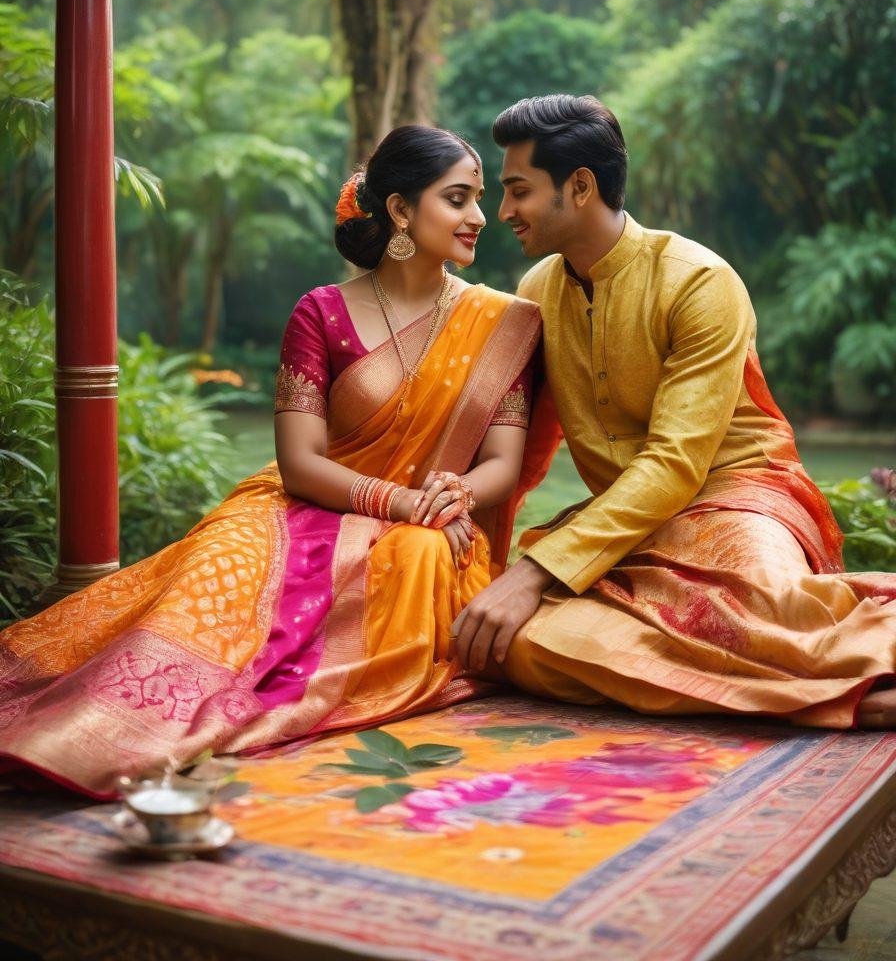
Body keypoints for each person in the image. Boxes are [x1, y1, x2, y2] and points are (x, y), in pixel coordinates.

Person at [0, 126, 550, 798]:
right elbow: (299, 463)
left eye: (479, 199)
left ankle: (185, 725)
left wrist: (447, 497)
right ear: (402, 210)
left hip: (428, 527)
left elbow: (503, 461)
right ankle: (99, 725)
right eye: (457, 198)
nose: (477, 218)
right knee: (219, 565)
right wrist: (398, 499)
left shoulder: (503, 323)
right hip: (306, 506)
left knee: (420, 557)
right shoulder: (321, 313)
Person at [450, 94, 896, 729]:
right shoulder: (537, 292)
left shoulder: (698, 281)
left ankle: (819, 686)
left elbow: (676, 462)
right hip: (633, 526)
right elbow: (528, 448)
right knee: (514, 644)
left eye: (518, 190)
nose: (504, 212)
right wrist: (487, 564)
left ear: (579, 186)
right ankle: (835, 696)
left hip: (741, 493)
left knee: (771, 615)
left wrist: (536, 573)